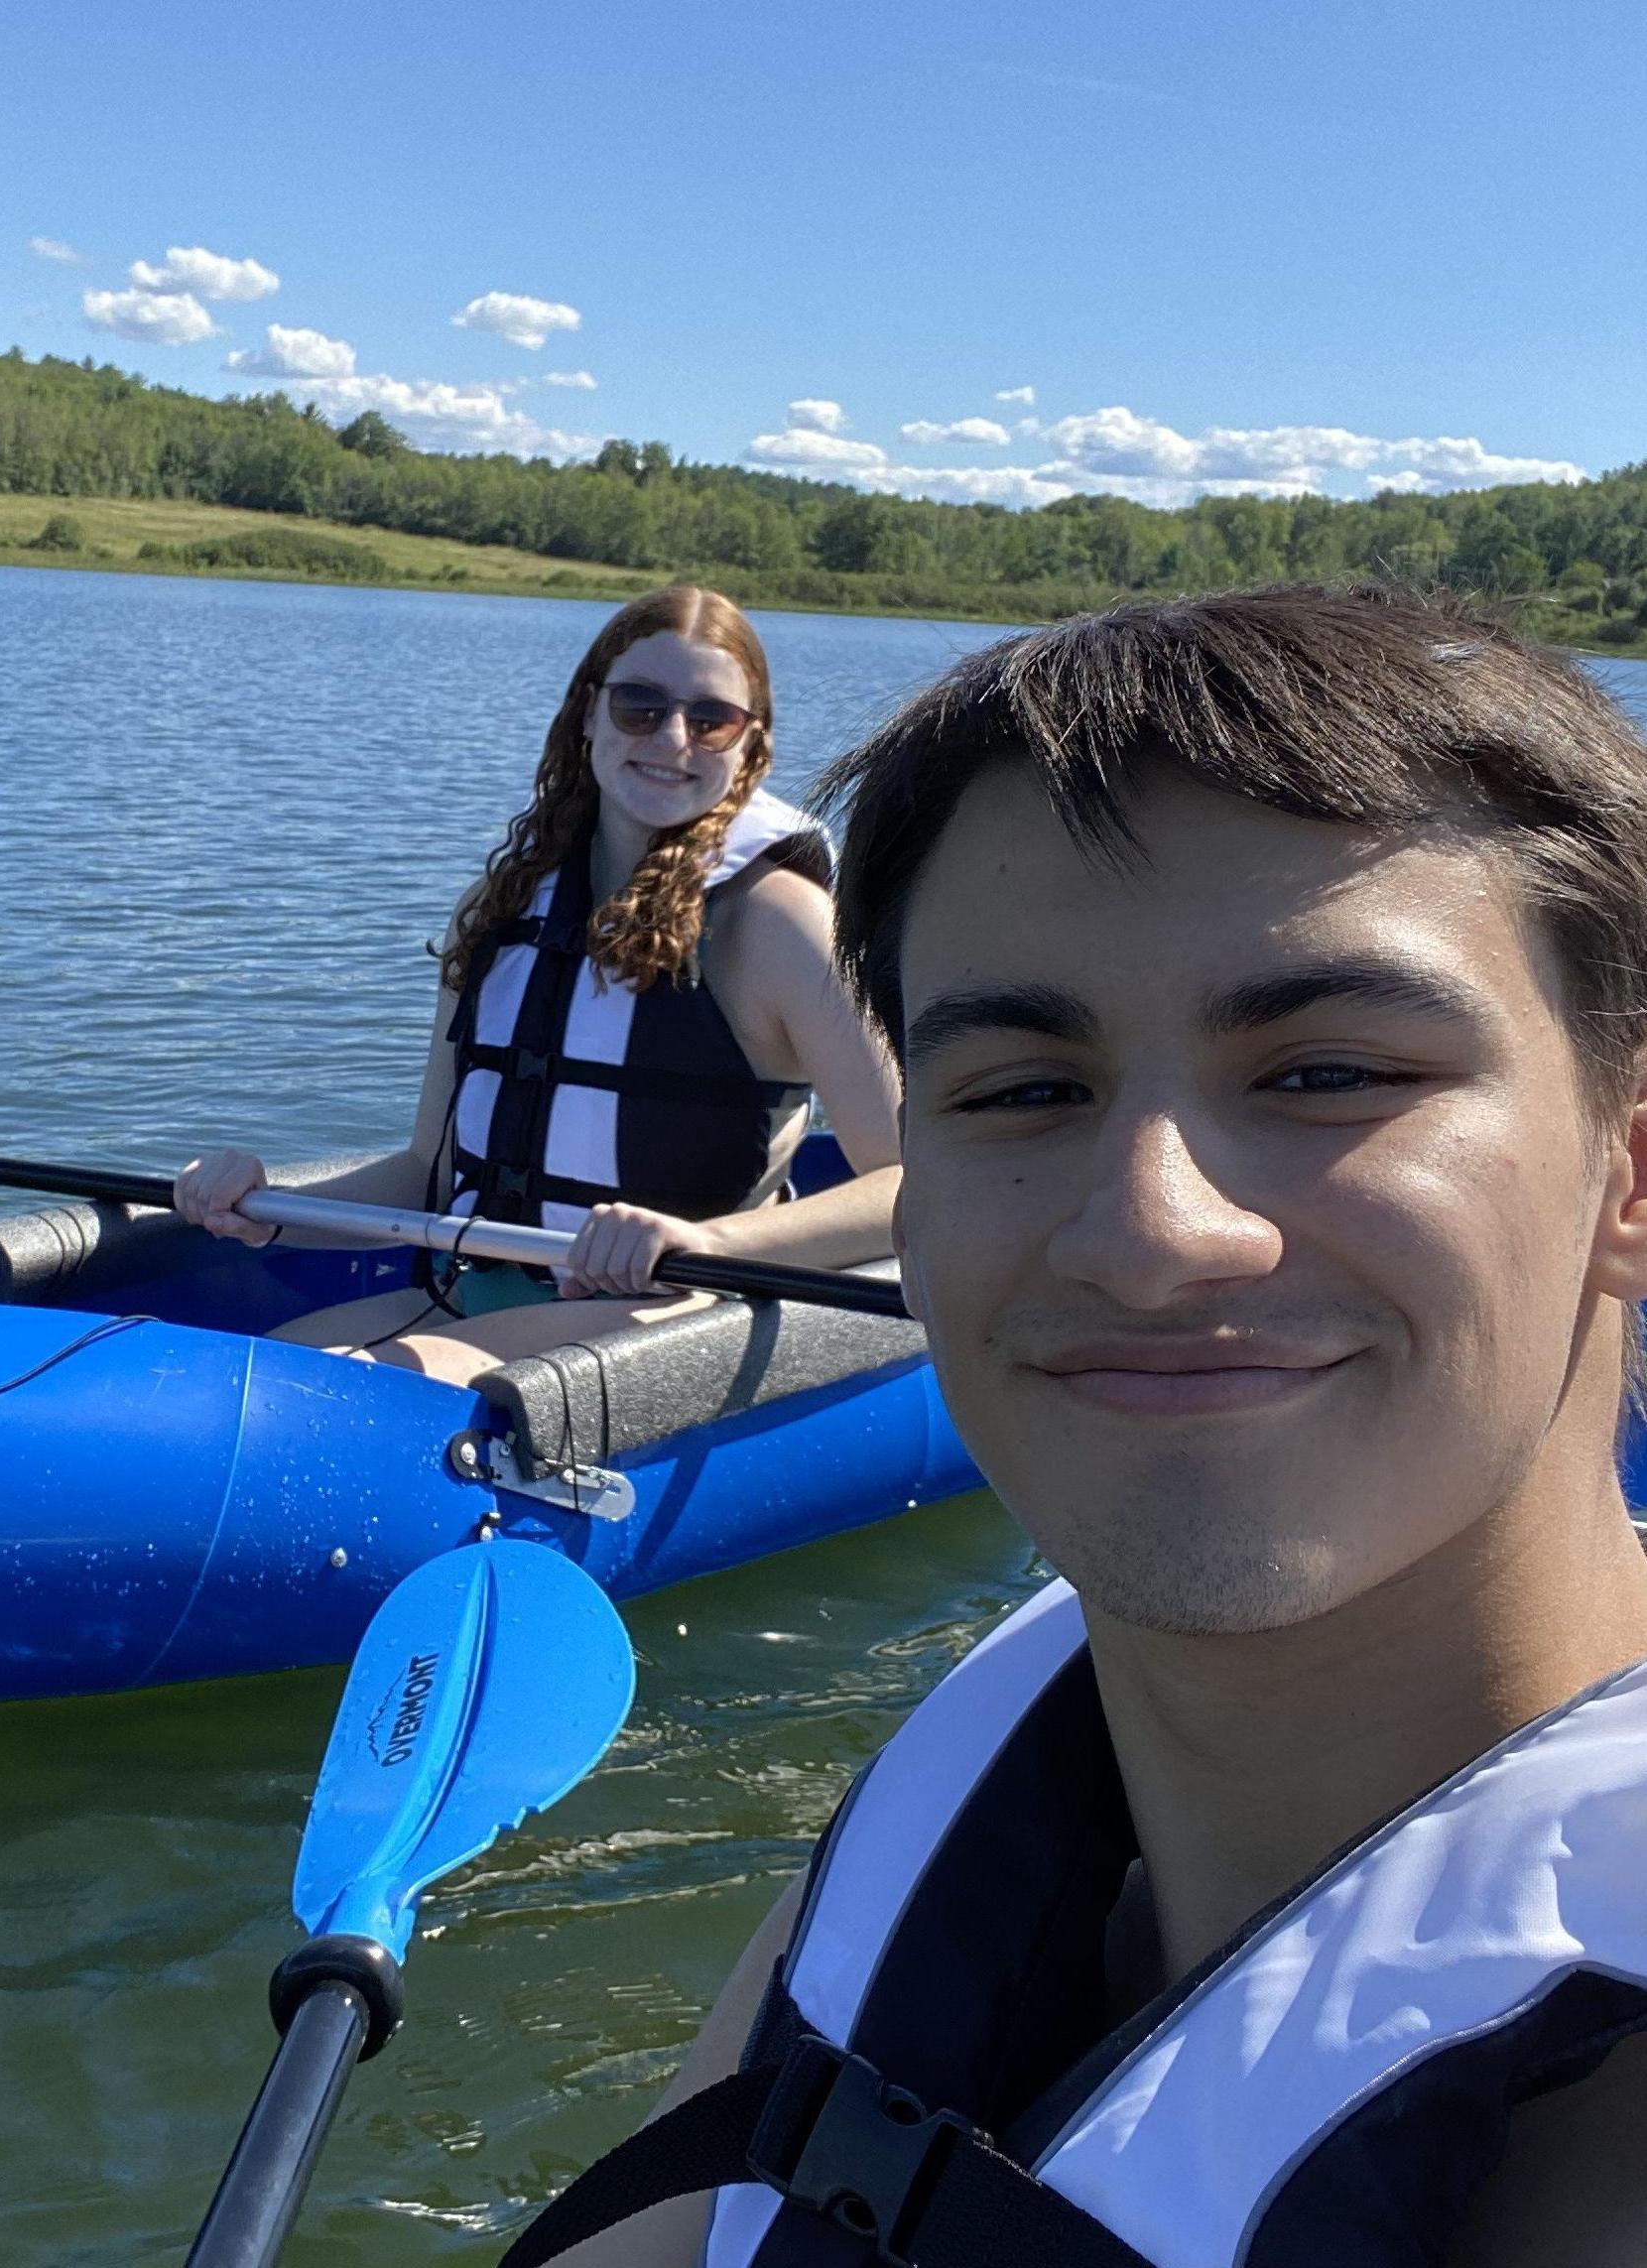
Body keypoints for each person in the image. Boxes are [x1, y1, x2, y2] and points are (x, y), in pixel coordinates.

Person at [504, 585, 1647, 2268]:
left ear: (1628, 1174)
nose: (1147, 1230)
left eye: (1328, 1072)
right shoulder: (971, 1815)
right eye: (1024, 1091)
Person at [174, 586, 904, 1384]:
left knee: (327, 1394)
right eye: (639, 705)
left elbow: (914, 1184)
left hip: (675, 1319)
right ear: (588, 713)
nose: (671, 738)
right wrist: (260, 1206)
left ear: (749, 748)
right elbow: (429, 1172)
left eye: (710, 719)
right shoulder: (502, 912)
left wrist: (711, 1244)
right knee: (243, 1373)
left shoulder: (781, 925)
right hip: (472, 1298)